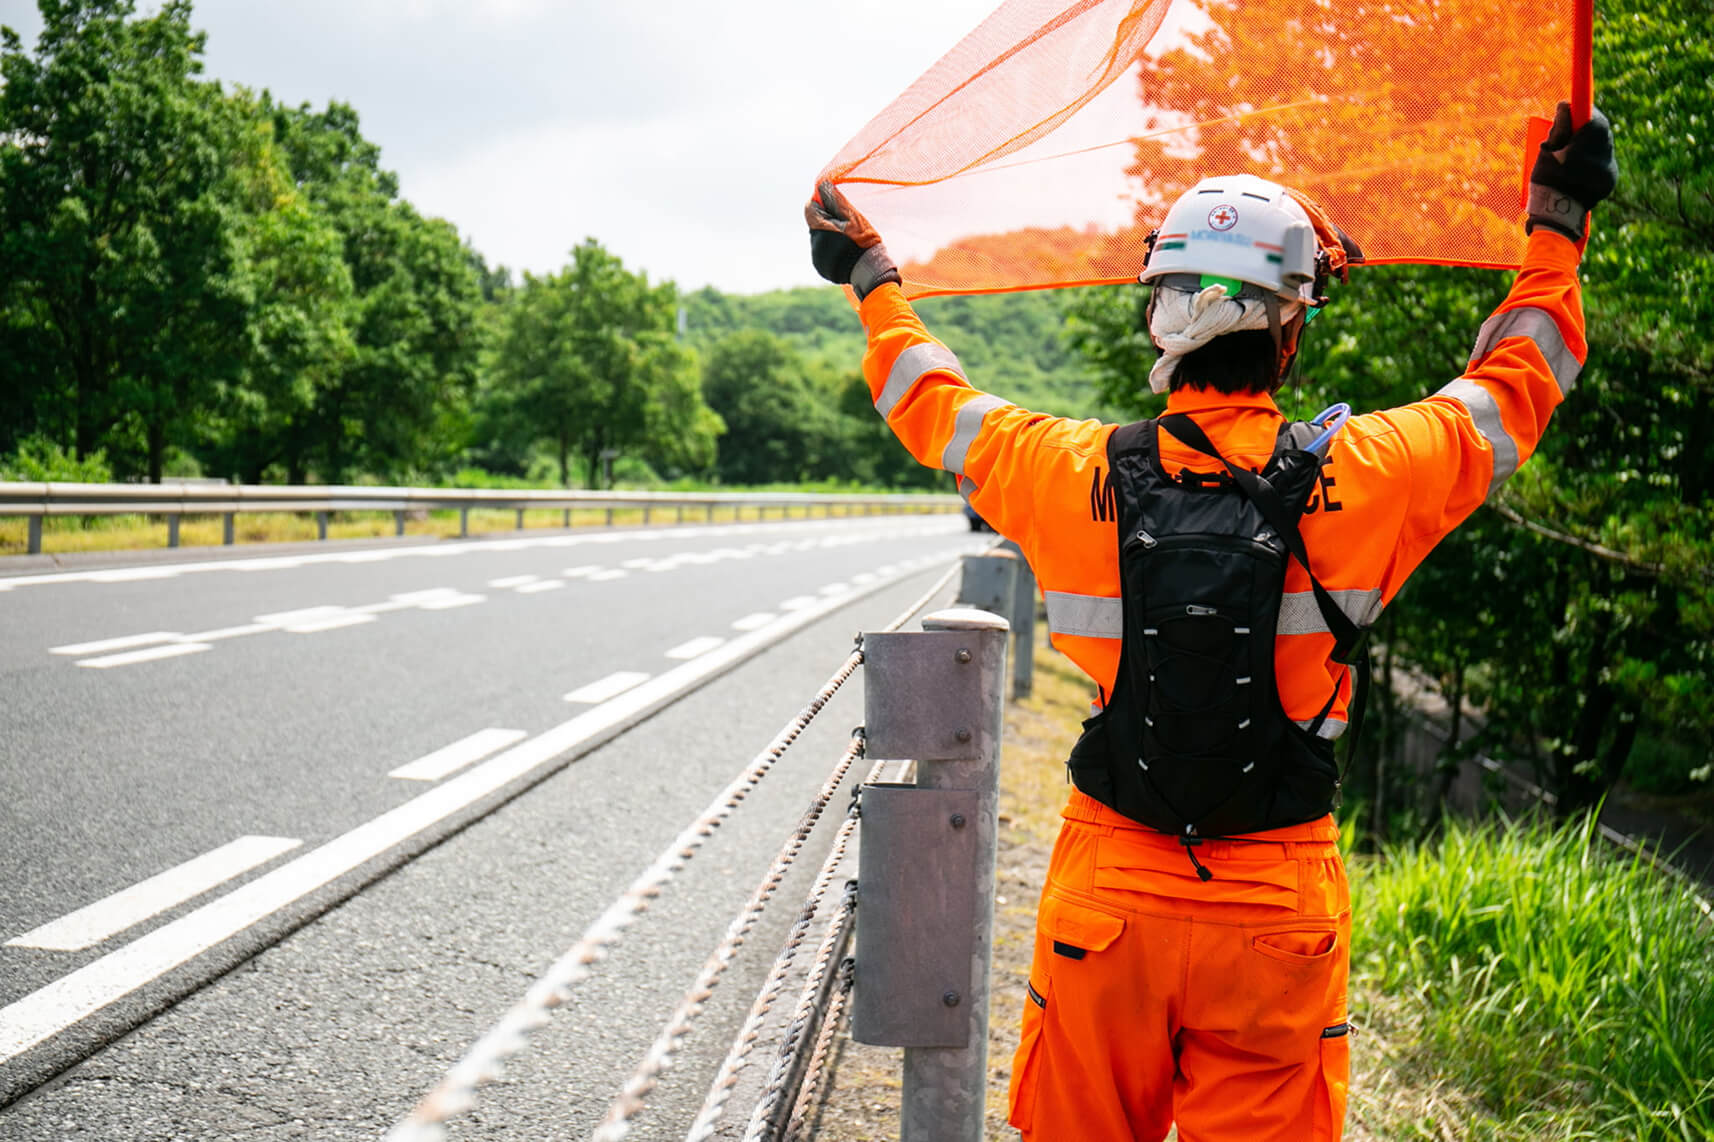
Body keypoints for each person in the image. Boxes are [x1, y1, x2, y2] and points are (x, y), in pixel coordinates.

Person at [806, 102, 1617, 1141]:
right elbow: (1518, 380)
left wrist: (873, 281)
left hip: (1110, 898)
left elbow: (934, 401)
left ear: (1160, 315)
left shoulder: (1069, 469)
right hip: (1275, 909)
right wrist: (1556, 225)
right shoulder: (1372, 474)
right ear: (1291, 323)